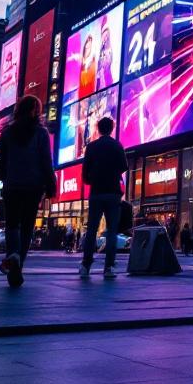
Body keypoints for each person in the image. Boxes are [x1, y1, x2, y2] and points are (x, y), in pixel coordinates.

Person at [0, 96, 55, 286]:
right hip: (33, 186)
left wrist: (4, 178)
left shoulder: (7, 132)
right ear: (36, 111)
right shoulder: (41, 133)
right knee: (28, 225)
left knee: (12, 223)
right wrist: (51, 183)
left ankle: (13, 256)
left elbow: (1, 160)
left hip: (12, 185)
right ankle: (18, 264)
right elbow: (46, 161)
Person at [79, 116, 127, 280]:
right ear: (112, 129)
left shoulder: (92, 147)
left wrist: (91, 179)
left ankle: (86, 265)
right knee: (112, 231)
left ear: (98, 129)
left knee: (91, 230)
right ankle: (108, 267)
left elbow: (85, 170)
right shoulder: (117, 145)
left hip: (96, 192)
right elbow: (124, 166)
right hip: (113, 192)